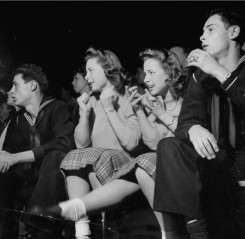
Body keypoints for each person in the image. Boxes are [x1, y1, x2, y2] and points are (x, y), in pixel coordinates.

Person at [42, 47, 188, 239]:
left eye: (91, 71)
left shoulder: (128, 94)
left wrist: (111, 109)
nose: (87, 77)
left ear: (107, 70)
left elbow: (132, 143)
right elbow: (81, 145)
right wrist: (85, 114)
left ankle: (96, 213)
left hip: (128, 162)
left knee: (97, 157)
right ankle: (82, 230)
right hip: (110, 162)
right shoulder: (93, 101)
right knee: (75, 156)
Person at [153, 8, 245, 239]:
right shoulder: (199, 76)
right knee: (169, 146)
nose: (201, 37)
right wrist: (193, 127)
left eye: (211, 29)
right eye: (202, 31)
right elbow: (186, 121)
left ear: (234, 32)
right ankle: (197, 232)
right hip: (216, 157)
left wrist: (219, 72)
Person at [0, 63, 75, 239]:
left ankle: (36, 231)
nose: (11, 91)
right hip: (25, 182)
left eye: (15, 85)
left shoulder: (58, 109)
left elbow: (64, 144)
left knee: (56, 156)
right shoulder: (18, 119)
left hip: (52, 184)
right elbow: (8, 154)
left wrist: (17, 158)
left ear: (32, 85)